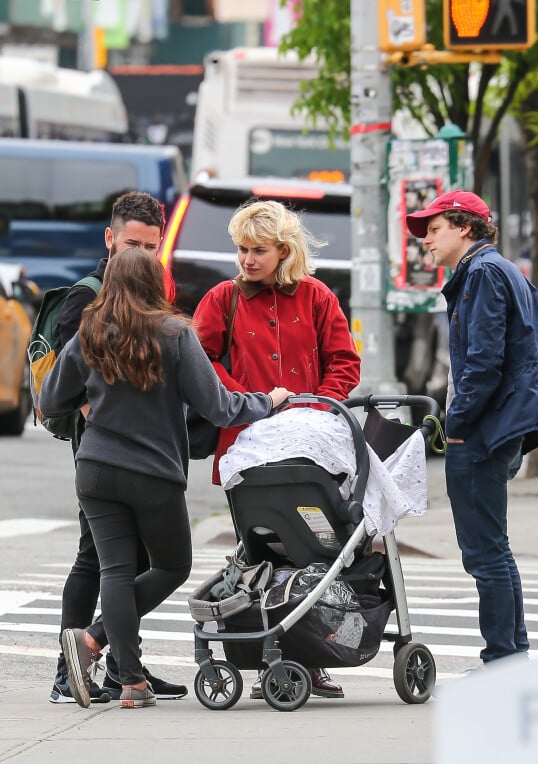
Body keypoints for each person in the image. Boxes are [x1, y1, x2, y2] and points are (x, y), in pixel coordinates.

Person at [39, 247, 293, 709]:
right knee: (172, 566)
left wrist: (87, 403)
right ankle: (94, 641)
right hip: (153, 474)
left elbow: (50, 399)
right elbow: (218, 406)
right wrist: (268, 401)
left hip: (95, 470)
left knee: (114, 571)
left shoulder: (89, 334)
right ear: (157, 285)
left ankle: (131, 681)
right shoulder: (175, 334)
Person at [193, 199, 361, 699]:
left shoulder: (316, 297)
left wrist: (318, 407)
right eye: (241, 249)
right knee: (263, 550)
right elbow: (198, 363)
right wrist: (247, 401)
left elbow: (344, 363)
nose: (246, 259)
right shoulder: (224, 297)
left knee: (314, 553)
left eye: (257, 250)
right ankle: (271, 651)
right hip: (249, 446)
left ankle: (310, 655)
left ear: (283, 251)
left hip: (310, 449)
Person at [406, 190, 538, 667]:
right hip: (498, 425)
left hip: (483, 430)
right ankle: (509, 655)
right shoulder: (498, 270)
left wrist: (454, 426)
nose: (428, 242)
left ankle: (503, 659)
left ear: (464, 227)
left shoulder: (482, 273)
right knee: (493, 550)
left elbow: (484, 362)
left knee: (484, 554)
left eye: (435, 230)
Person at [50, 191, 183, 704]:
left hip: (134, 458)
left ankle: (126, 667)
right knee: (97, 559)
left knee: (134, 559)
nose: (142, 256)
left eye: (152, 246)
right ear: (110, 239)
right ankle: (71, 667)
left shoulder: (151, 295)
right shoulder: (87, 300)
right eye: (133, 244)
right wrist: (108, 416)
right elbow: (63, 387)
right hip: (102, 455)